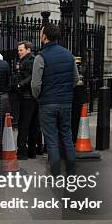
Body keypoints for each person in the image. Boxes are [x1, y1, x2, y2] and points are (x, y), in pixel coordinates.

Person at [31, 24, 79, 176]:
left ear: (45, 36)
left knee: (51, 138)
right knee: (66, 135)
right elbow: (76, 79)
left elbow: (35, 84)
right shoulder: (68, 55)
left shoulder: (40, 57)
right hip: (65, 101)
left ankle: (56, 174)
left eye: (41, 33)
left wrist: (38, 96)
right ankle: (71, 172)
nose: (40, 35)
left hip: (47, 102)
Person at [13, 41, 40, 160]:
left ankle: (22, 152)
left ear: (28, 50)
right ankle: (32, 151)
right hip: (33, 97)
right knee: (33, 125)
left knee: (24, 125)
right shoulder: (30, 60)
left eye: (21, 50)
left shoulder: (29, 61)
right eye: (18, 50)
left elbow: (31, 77)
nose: (19, 52)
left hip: (27, 96)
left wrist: (19, 85)